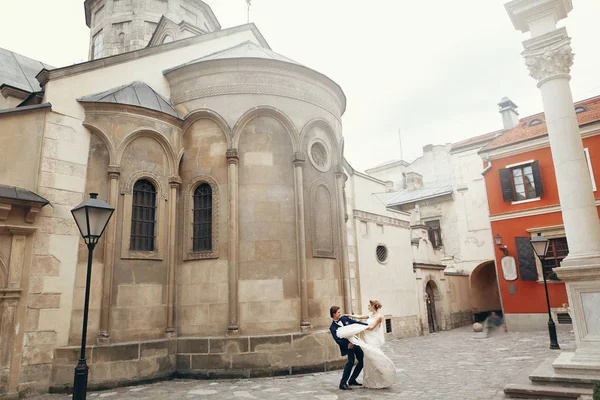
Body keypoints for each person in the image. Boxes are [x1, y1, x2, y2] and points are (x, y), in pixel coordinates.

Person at [337, 300, 396, 389]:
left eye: (369, 305)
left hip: (373, 339)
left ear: (373, 306)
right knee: (367, 360)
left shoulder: (379, 317)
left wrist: (359, 328)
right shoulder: (370, 315)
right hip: (367, 339)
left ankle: (382, 377)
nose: (368, 307)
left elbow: (372, 328)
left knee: (374, 358)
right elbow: (360, 317)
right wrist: (349, 315)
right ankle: (370, 379)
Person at [329, 305, 367, 390]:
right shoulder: (332, 328)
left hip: (355, 342)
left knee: (362, 360)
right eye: (338, 312)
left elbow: (355, 322)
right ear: (334, 314)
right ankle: (342, 383)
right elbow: (337, 340)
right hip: (348, 346)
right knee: (350, 362)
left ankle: (352, 380)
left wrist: (367, 325)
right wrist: (347, 345)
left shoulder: (345, 318)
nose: (340, 313)